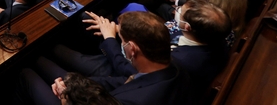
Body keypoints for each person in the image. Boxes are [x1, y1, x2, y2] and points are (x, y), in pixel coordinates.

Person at [16, 11, 191, 105]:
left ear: (132, 49)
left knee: (26, 73)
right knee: (41, 60)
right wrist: (72, 83)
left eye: (120, 40)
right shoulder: (172, 67)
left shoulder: (129, 101)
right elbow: (129, 78)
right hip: (99, 90)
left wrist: (66, 96)